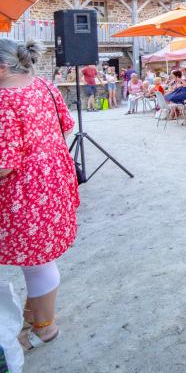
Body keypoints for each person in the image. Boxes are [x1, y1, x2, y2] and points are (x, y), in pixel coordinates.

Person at [0, 40, 79, 352]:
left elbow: (4, 165)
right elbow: (66, 126)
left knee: (37, 261)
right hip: (54, 178)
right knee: (40, 257)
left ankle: (45, 328)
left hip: (25, 190)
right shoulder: (45, 86)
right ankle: (36, 314)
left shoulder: (4, 100)